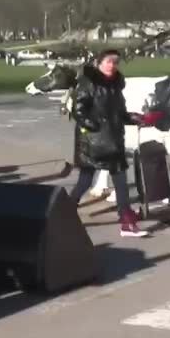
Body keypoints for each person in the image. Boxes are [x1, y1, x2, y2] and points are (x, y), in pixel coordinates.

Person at [67, 49, 150, 238]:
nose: (112, 65)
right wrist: (94, 125)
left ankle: (126, 220)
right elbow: (79, 110)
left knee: (120, 181)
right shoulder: (88, 83)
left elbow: (119, 114)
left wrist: (137, 118)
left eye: (115, 62)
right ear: (99, 63)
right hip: (93, 142)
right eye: (108, 61)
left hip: (113, 142)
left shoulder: (115, 86)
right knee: (85, 180)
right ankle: (67, 209)